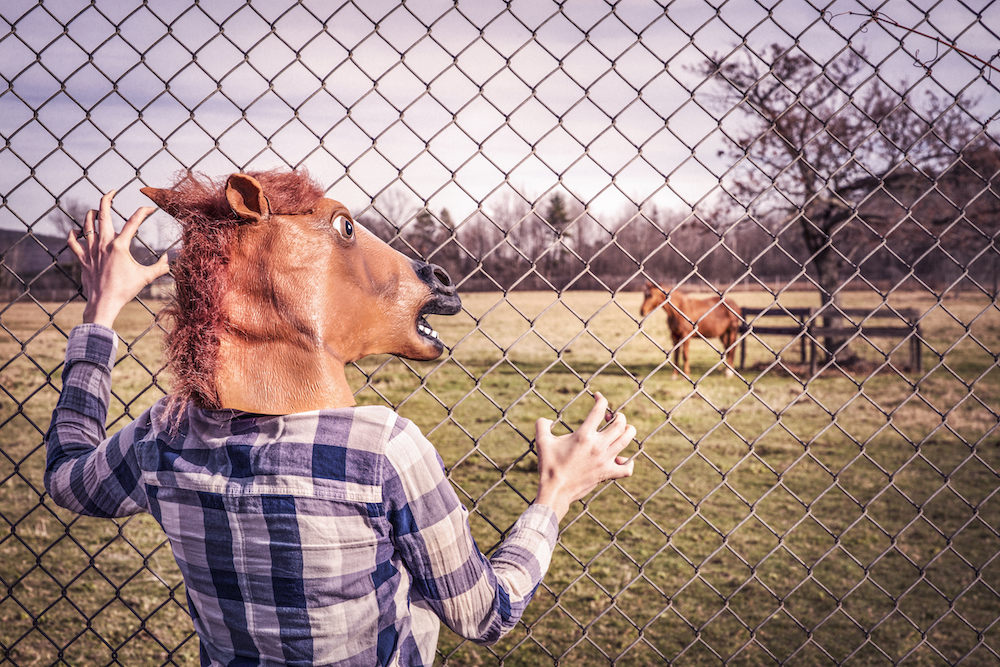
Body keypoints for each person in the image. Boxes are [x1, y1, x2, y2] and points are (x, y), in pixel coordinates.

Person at [45, 189, 636, 666]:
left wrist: (100, 314)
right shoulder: (380, 450)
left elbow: (69, 477)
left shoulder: (165, 436)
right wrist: (554, 496)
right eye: (344, 232)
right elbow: (484, 615)